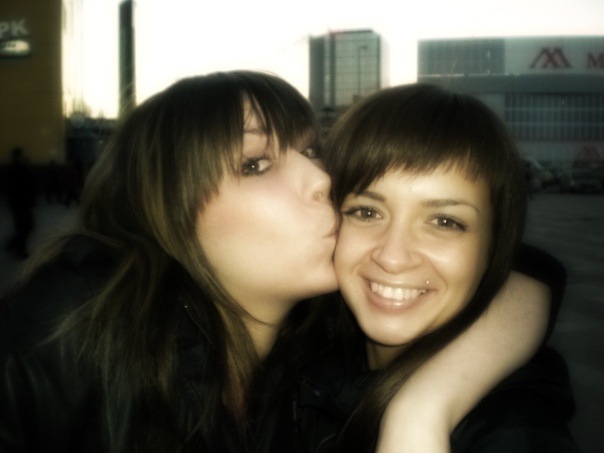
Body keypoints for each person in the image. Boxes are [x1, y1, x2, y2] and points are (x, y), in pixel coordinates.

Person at [0, 72, 555, 452]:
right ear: (165, 210)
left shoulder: (315, 347)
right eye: (256, 164)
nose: (323, 180)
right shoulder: (84, 319)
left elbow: (523, 275)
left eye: (311, 150)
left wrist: (423, 407)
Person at [281, 84, 578, 452]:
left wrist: (419, 413)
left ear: (494, 245)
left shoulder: (513, 430)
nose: (393, 257)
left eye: (444, 222)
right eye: (367, 212)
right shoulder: (299, 346)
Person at [4, 147, 36, 259]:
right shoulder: (19, 168)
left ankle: (14, 246)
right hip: (22, 202)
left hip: (17, 202)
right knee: (26, 226)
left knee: (22, 226)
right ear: (19, 156)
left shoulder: (12, 168)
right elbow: (26, 185)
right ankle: (17, 248)